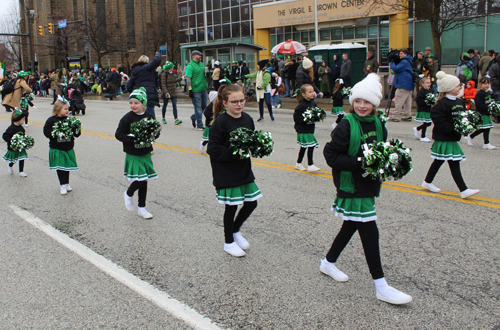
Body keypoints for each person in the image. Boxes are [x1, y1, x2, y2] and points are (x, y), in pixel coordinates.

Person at [321, 73, 412, 305]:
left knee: (351, 225)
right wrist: (359, 163)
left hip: (369, 183)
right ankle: (381, 286)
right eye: (358, 101)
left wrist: (391, 162)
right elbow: (330, 155)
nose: (362, 106)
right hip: (351, 185)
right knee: (369, 231)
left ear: (376, 104)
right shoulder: (345, 125)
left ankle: (328, 263)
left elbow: (382, 150)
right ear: (352, 102)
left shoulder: (379, 123)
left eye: (367, 102)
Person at [206, 84, 261, 258]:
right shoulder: (219, 123)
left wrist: (259, 146)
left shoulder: (247, 119)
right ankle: (228, 242)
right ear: (224, 102)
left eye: (242, 100)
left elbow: (251, 140)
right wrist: (233, 152)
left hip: (243, 168)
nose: (239, 104)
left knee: (252, 202)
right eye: (234, 101)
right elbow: (212, 149)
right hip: (226, 171)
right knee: (231, 207)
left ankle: (236, 230)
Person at [421, 71, 480, 199]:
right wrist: (454, 129)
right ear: (448, 89)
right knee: (454, 161)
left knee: (439, 161)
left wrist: (467, 126)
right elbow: (440, 122)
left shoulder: (459, 102)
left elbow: (464, 118)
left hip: (452, 137)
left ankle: (427, 182)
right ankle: (463, 190)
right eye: (457, 86)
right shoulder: (441, 104)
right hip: (445, 138)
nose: (460, 87)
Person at [115, 87, 159, 219]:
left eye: (136, 103)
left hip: (145, 152)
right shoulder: (127, 118)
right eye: (131, 103)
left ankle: (142, 208)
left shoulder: (148, 116)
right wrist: (131, 139)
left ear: (143, 104)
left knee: (144, 181)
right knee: (142, 179)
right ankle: (129, 193)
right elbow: (119, 134)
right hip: (134, 153)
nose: (133, 105)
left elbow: (156, 132)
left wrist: (152, 136)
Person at [43, 97, 81, 195]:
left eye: (68, 109)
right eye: (65, 109)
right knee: (60, 167)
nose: (67, 111)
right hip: (57, 148)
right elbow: (46, 132)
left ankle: (67, 183)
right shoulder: (51, 120)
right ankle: (62, 185)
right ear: (58, 110)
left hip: (68, 147)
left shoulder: (70, 120)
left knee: (67, 167)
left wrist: (76, 130)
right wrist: (56, 133)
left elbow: (76, 134)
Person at [293, 84, 321, 173]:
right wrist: (305, 118)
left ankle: (298, 163)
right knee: (311, 145)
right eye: (310, 92)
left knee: (304, 147)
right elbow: (296, 118)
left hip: (310, 128)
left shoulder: (313, 103)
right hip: (303, 129)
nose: (312, 93)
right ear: (303, 94)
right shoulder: (301, 105)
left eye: (313, 91)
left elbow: (316, 112)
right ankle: (310, 164)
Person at [126, 52, 162, 119]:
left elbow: (129, 86)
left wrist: (135, 91)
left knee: (139, 118)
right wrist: (158, 53)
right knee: (151, 120)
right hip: (148, 96)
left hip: (139, 98)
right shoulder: (148, 68)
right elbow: (157, 61)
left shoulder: (135, 71)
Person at [467, 77, 496, 149]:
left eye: (488, 83)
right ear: (480, 84)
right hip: (482, 113)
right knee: (485, 128)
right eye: (485, 83)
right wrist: (487, 108)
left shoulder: (488, 93)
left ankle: (471, 137)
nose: (487, 85)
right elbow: (479, 104)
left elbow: (491, 101)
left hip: (486, 113)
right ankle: (486, 143)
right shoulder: (479, 94)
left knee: (485, 128)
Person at [389, 49, 414, 122]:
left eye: (401, 53)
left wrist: (391, 62)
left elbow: (396, 69)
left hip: (402, 83)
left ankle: (396, 116)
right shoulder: (409, 60)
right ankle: (407, 115)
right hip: (408, 83)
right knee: (407, 101)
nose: (400, 55)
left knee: (399, 100)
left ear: (406, 54)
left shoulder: (404, 62)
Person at [185, 50, 208, 130]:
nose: (200, 56)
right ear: (194, 56)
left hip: (203, 88)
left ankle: (194, 117)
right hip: (196, 90)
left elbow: (204, 75)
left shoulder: (201, 64)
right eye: (199, 55)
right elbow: (188, 79)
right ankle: (199, 125)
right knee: (198, 107)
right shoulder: (190, 66)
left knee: (204, 107)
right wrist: (190, 89)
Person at [2, 110, 29, 177]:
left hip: (20, 147)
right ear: (18, 119)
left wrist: (25, 141)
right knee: (14, 160)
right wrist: (11, 141)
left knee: (22, 158)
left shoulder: (21, 128)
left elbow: (23, 135)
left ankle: (21, 171)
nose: (24, 121)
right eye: (23, 119)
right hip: (13, 147)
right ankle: (10, 165)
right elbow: (5, 135)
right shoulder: (11, 128)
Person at [413, 77, 433, 142]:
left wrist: (432, 100)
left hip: (428, 109)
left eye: (429, 82)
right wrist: (426, 101)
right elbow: (418, 101)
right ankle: (423, 136)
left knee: (429, 123)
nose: (429, 84)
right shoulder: (421, 91)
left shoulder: (430, 90)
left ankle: (417, 128)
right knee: (427, 122)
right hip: (423, 109)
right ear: (422, 84)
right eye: (427, 83)